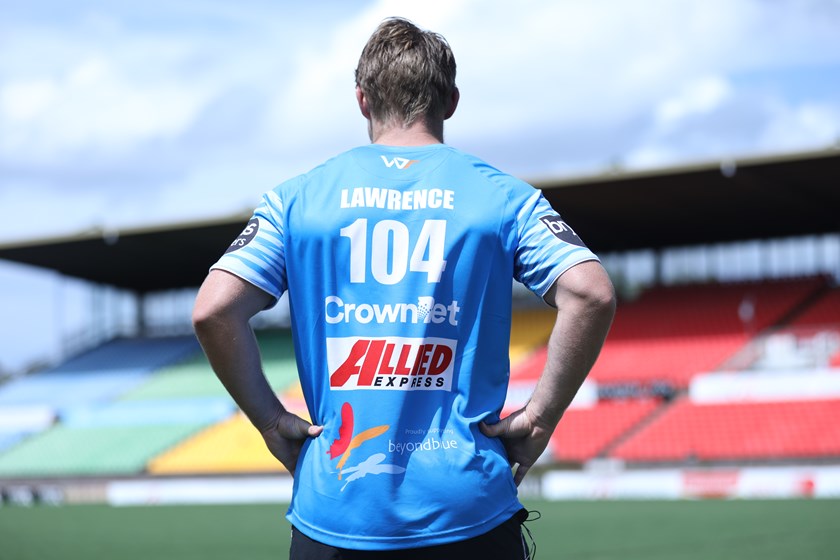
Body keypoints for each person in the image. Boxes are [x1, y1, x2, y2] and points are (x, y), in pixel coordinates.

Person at [193, 16, 615, 559]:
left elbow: (212, 311)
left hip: (335, 507)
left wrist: (272, 423)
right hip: (468, 507)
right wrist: (540, 418)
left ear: (363, 100)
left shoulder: (295, 200)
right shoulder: (505, 198)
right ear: (452, 101)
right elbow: (591, 292)